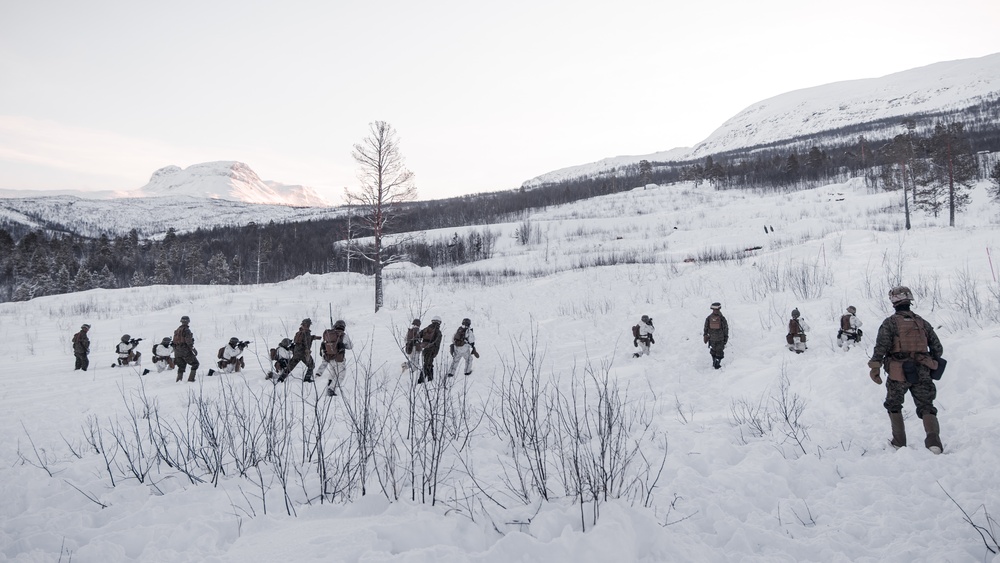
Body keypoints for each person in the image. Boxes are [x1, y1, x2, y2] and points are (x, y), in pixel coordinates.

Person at [868, 286, 945, 454]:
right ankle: (934, 442)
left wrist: (875, 367)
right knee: (926, 405)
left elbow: (881, 347)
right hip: (923, 370)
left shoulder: (890, 323)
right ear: (910, 300)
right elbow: (937, 349)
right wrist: (926, 359)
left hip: (898, 372)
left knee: (894, 404)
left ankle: (899, 441)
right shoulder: (922, 322)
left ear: (893, 302)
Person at [317, 320, 353, 396]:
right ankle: (331, 389)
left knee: (333, 373)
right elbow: (350, 346)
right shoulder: (343, 335)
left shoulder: (329, 334)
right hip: (339, 358)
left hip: (330, 357)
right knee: (341, 375)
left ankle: (330, 383)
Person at [282, 318, 321, 382]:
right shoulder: (306, 333)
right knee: (311, 365)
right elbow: (306, 343)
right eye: (308, 325)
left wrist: (313, 337)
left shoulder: (299, 332)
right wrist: (307, 352)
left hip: (296, 353)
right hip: (303, 353)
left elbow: (299, 341)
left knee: (290, 367)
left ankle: (281, 378)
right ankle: (307, 379)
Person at [173, 315, 200, 383]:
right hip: (185, 350)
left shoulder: (177, 330)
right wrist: (193, 349)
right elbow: (188, 342)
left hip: (177, 351)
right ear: (188, 322)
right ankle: (191, 379)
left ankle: (179, 380)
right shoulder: (187, 330)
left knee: (181, 366)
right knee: (195, 364)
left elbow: (174, 341)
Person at [417, 316, 443, 384]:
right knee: (427, 364)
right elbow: (437, 343)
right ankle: (421, 380)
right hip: (432, 349)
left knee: (428, 363)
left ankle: (430, 378)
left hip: (425, 349)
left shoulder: (426, 328)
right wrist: (435, 353)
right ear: (439, 323)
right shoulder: (438, 332)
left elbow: (418, 336)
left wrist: (422, 344)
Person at [703, 302, 729, 369]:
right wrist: (726, 338)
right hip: (720, 339)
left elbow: (705, 328)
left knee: (713, 351)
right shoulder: (722, 318)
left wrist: (705, 335)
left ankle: (715, 363)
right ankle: (716, 365)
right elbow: (725, 328)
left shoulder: (709, 318)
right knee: (719, 352)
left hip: (712, 338)